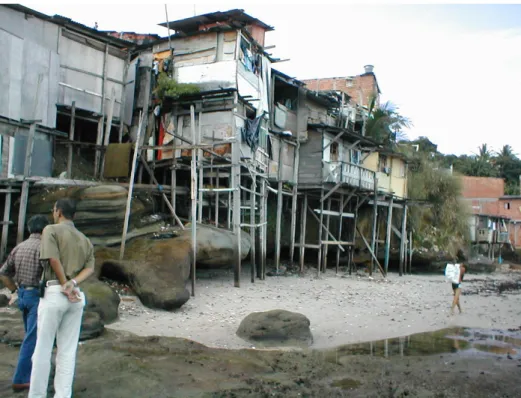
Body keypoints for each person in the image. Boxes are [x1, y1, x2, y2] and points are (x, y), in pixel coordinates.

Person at [29, 198, 95, 398]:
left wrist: (64, 282)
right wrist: (73, 283)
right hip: (75, 297)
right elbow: (90, 268)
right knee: (67, 351)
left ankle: (37, 395)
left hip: (54, 292)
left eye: (53, 209)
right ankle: (63, 395)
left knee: (42, 349)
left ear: (58, 212)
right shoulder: (85, 239)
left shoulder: (51, 230)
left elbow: (53, 258)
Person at [0, 215, 49, 392]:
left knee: (30, 334)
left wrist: (14, 290)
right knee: (32, 339)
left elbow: (4, 273)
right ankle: (21, 379)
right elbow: (50, 274)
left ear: (29, 229)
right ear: (45, 229)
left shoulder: (19, 247)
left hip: (22, 295)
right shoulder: (44, 248)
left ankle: (32, 371)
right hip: (37, 296)